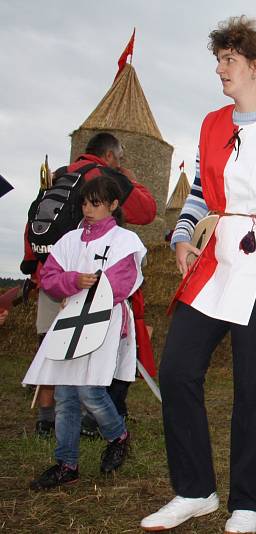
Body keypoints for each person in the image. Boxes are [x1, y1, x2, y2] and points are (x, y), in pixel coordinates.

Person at [140, 16, 256, 534]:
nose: (219, 69)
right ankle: (194, 490)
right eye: (218, 60)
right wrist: (182, 235)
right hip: (218, 260)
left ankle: (247, 501)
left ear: (255, 67)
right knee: (177, 370)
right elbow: (199, 192)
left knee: (253, 386)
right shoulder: (213, 124)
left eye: (228, 60)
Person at [20, 132, 156, 438]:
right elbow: (146, 211)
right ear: (109, 156)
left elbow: (34, 225)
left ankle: (46, 417)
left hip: (51, 275)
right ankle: (92, 420)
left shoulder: (59, 176)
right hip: (85, 284)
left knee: (51, 347)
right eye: (119, 158)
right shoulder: (104, 177)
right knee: (88, 349)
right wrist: (128, 178)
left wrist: (33, 269)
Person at [23, 176, 145, 489]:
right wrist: (73, 281)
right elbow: (49, 277)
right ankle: (67, 464)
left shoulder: (125, 241)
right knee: (65, 394)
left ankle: (117, 435)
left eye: (96, 203)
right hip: (69, 322)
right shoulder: (69, 240)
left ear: (113, 205)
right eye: (84, 203)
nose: (88, 209)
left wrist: (84, 293)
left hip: (102, 322)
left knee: (90, 392)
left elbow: (122, 284)